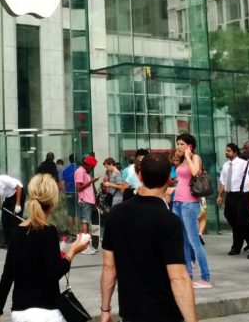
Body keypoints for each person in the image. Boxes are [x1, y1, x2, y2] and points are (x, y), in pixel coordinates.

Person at [100, 153, 199, 322]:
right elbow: (178, 277)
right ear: (169, 178)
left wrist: (105, 309)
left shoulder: (116, 214)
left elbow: (109, 267)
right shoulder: (168, 220)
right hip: (164, 313)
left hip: (130, 312)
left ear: (139, 176)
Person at [0, 174, 91, 322]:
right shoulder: (49, 231)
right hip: (46, 312)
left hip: (20, 312)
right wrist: (73, 251)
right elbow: (55, 272)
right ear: (53, 202)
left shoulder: (18, 231)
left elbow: (7, 275)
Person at [172, 133, 211, 287]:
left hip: (189, 203)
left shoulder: (195, 158)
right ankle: (188, 273)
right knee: (182, 240)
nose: (179, 147)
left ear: (190, 145)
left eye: (182, 144)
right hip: (178, 202)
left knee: (194, 240)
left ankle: (205, 277)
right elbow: (182, 180)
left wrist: (188, 156)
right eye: (178, 144)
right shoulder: (180, 161)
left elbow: (195, 173)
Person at [217, 142, 249, 254]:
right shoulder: (226, 165)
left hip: (241, 195)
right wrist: (220, 195)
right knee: (229, 216)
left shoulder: (243, 163)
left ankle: (236, 247)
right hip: (230, 194)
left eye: (229, 151)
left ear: (235, 152)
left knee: (241, 220)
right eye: (226, 150)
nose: (226, 152)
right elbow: (223, 182)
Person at [75, 155, 101, 252]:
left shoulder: (84, 171)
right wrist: (91, 181)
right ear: (87, 165)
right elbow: (78, 188)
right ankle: (85, 246)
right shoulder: (80, 171)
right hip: (85, 200)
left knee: (87, 221)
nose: (92, 169)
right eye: (92, 167)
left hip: (89, 200)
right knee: (85, 221)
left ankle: (87, 244)